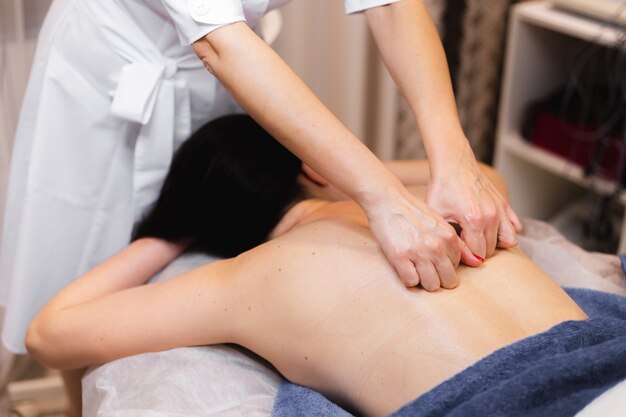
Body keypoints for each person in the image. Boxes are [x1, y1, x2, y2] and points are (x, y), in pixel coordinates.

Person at [1, 0, 522, 357]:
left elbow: (388, 3)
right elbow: (220, 42)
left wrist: (453, 158)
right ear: (313, 173)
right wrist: (382, 195)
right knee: (79, 249)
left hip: (226, 81)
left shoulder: (243, 287)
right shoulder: (266, 266)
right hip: (113, 72)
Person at [26, 116, 625, 417]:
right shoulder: (434, 213)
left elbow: (49, 333)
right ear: (312, 169)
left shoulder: (245, 282)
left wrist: (174, 226)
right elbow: (488, 177)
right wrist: (350, 175)